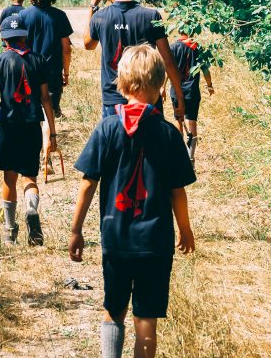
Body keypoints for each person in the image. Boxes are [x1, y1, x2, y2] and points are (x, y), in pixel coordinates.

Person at [69, 44, 196, 358]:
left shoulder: (107, 128)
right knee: (146, 320)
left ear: (121, 85)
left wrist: (76, 229)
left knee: (113, 310)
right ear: (161, 87)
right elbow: (177, 191)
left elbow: (88, 183)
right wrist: (185, 229)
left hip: (117, 238)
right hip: (156, 241)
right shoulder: (169, 134)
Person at [0, 15, 57, 246]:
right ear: (25, 36)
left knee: (9, 178)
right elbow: (46, 99)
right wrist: (52, 135)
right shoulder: (38, 60)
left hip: (8, 127)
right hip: (31, 127)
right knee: (30, 177)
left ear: (5, 40)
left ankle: (9, 231)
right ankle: (31, 208)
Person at [84, 0, 185, 120]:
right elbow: (168, 60)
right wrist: (179, 95)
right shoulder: (151, 15)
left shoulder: (101, 17)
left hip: (114, 96)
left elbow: (88, 44)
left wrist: (93, 5)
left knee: (117, 141)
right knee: (150, 142)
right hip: (148, 93)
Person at [20, 0, 73, 121]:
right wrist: (66, 73)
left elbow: (16, 46)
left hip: (28, 71)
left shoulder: (22, 15)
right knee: (48, 113)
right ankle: (49, 141)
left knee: (30, 113)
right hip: (52, 72)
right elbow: (66, 49)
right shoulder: (60, 16)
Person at [165, 28, 214, 168]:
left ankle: (179, 157)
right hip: (192, 92)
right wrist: (209, 85)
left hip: (176, 90)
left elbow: (168, 68)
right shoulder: (198, 48)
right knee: (192, 122)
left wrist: (162, 87)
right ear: (192, 31)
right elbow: (205, 70)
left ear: (179, 30)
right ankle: (191, 160)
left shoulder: (173, 47)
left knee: (179, 122)